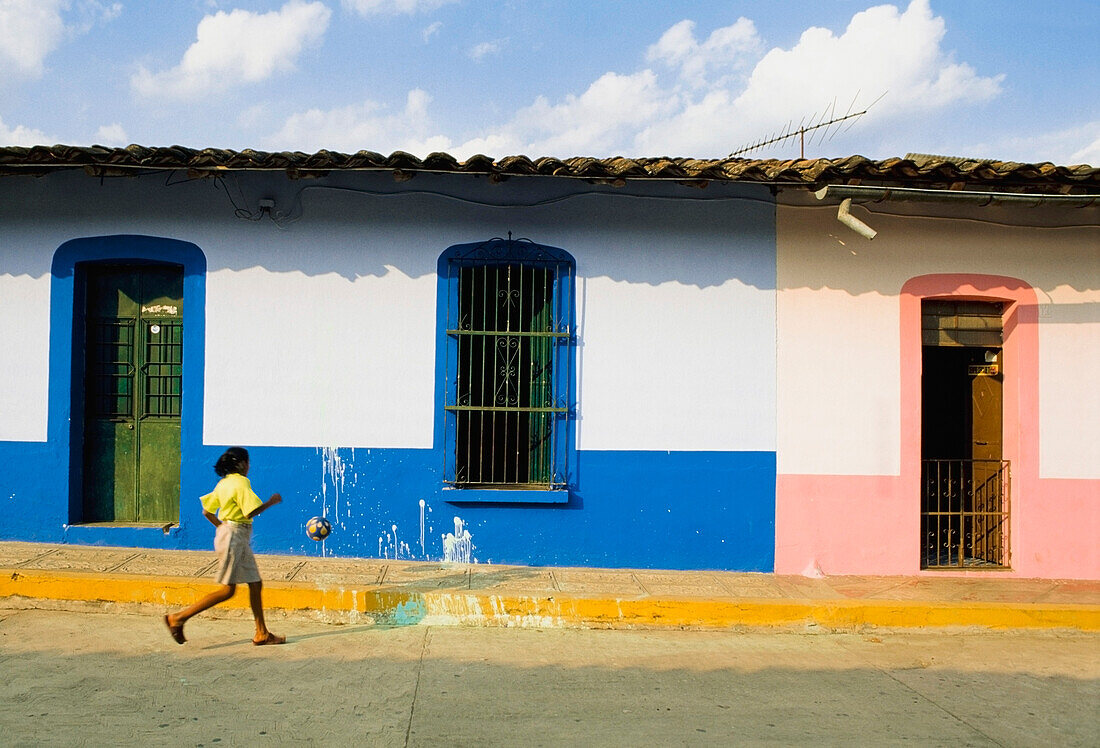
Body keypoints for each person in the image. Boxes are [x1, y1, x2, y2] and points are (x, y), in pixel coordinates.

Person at [164, 446, 285, 646]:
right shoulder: (241, 482)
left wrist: (223, 528)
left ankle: (261, 633)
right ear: (242, 464)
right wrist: (271, 502)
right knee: (227, 590)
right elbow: (250, 512)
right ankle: (178, 618)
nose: (249, 467)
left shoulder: (224, 483)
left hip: (233, 535)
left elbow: (206, 511)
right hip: (234, 536)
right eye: (248, 463)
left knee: (255, 583)